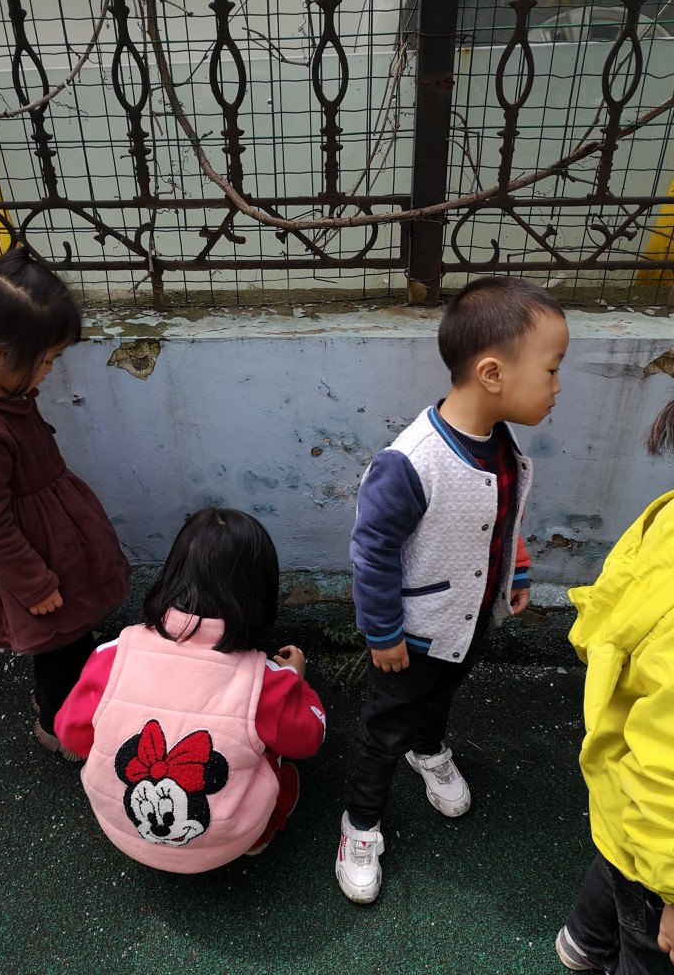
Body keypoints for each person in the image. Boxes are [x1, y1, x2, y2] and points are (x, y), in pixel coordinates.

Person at [336, 276, 569, 903]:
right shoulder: (411, 462)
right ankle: (360, 823)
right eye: (551, 370)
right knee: (383, 729)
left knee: (440, 697)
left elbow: (503, 516)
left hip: (466, 624)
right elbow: (371, 551)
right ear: (492, 373)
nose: (557, 386)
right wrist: (382, 633)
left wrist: (517, 569)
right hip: (409, 637)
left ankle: (429, 748)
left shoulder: (500, 444)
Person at [0, 247, 131, 760]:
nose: (47, 371)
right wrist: (33, 583)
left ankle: (73, 702)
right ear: (1, 353)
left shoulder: (2, 393)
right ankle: (60, 727)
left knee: (70, 636)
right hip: (28, 564)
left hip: (46, 546)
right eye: (45, 361)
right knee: (58, 647)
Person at [55, 506, 326, 872]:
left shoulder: (114, 654)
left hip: (122, 826)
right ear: (259, 592)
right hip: (226, 840)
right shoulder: (265, 681)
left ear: (173, 573)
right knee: (273, 741)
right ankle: (263, 830)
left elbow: (70, 735)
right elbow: (309, 737)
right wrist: (295, 680)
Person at [554, 401, 674, 974]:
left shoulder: (664, 516)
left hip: (622, 800)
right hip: (661, 846)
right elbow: (667, 766)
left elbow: (606, 609)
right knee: (647, 947)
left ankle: (581, 943)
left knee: (615, 864)